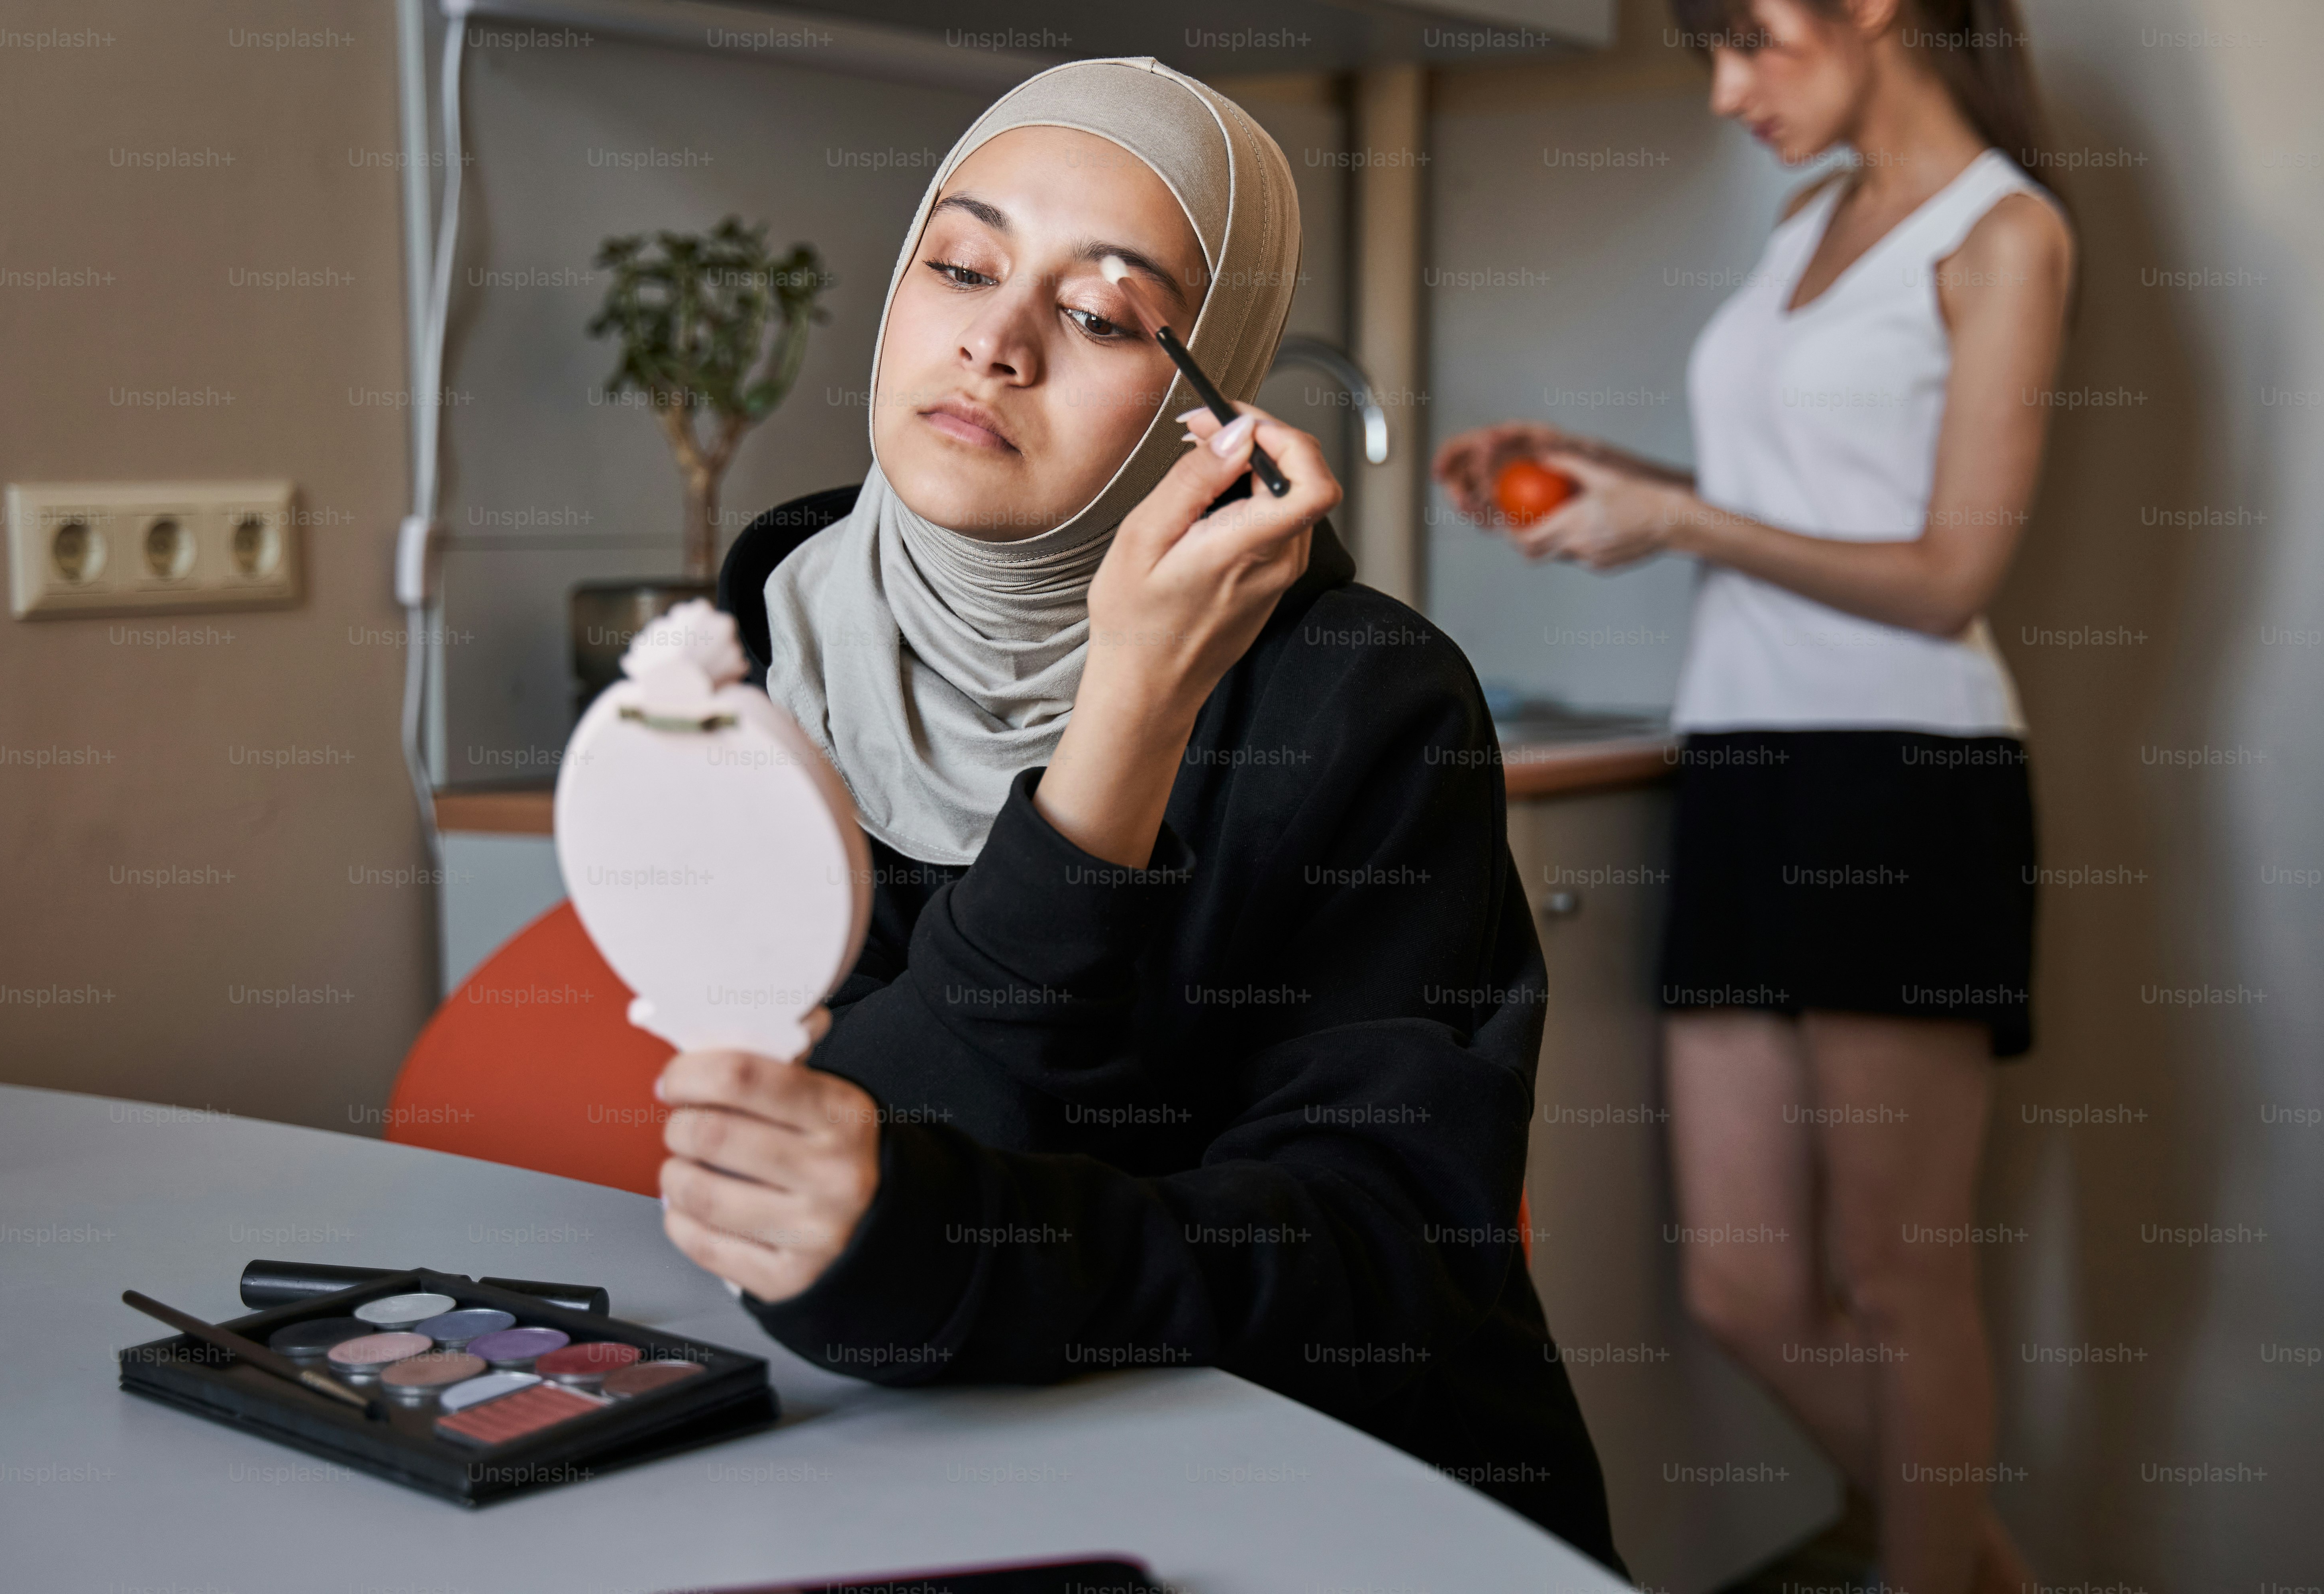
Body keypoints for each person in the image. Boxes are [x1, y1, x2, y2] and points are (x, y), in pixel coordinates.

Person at [645, 57, 1622, 1568]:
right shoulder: (780, 621)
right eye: (959, 264)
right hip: (896, 1479)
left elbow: (1384, 1265)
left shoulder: (1362, 701)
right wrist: (887, 1232)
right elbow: (839, 1194)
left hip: (1336, 1508)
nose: (996, 340)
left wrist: (1126, 721)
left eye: (1101, 316)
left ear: (1209, 402)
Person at [1432, 3, 2072, 1592]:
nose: (1727, 94)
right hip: (1746, 764)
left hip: (1906, 777)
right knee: (1740, 1281)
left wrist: (1673, 524)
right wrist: (1597, 468)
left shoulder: (2007, 233)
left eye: (1749, 43)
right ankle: (1986, 1570)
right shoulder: (1810, 219)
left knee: (1900, 1278)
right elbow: (1792, 500)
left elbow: (1947, 574)